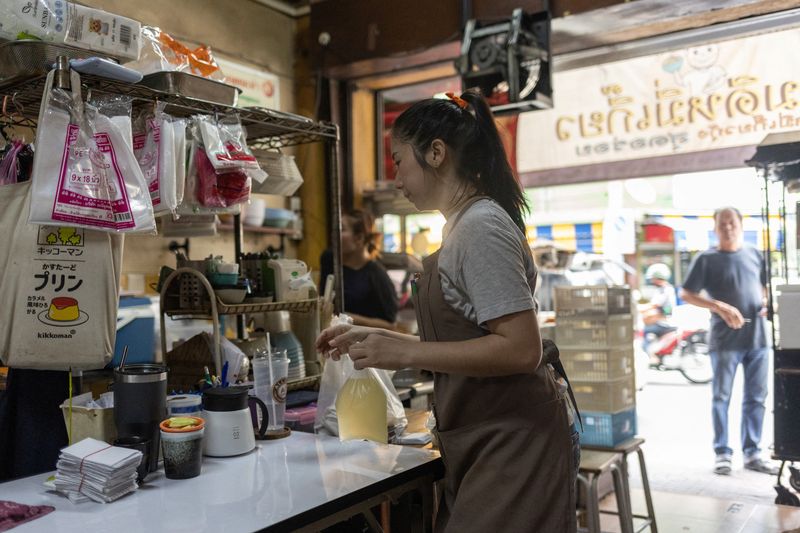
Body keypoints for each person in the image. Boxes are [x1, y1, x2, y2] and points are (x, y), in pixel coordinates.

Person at [317, 91, 577, 532]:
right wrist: (379, 342)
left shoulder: (481, 227)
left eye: (398, 162)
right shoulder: (461, 226)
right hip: (483, 436)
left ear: (436, 152)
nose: (396, 179)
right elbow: (467, 343)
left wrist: (406, 354)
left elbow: (519, 349)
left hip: (514, 442)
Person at [680, 207, 777, 476]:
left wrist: (767, 302)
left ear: (741, 224)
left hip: (758, 339)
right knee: (721, 397)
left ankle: (752, 452)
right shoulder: (706, 259)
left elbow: (765, 286)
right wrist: (718, 306)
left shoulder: (754, 253)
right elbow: (686, 293)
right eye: (722, 224)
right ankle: (722, 453)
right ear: (715, 228)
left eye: (731, 222)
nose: (727, 228)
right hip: (724, 341)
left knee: (756, 398)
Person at [320, 209, 398, 329]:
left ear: (359, 238)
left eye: (342, 230)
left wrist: (346, 318)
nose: (334, 234)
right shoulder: (329, 259)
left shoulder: (377, 274)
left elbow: (390, 325)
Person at [641, 263, 677, 353]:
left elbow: (655, 305)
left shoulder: (665, 290)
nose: (652, 281)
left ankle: (652, 355)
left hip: (665, 322)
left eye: (653, 278)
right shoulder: (664, 289)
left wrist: (640, 308)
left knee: (646, 331)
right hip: (663, 320)